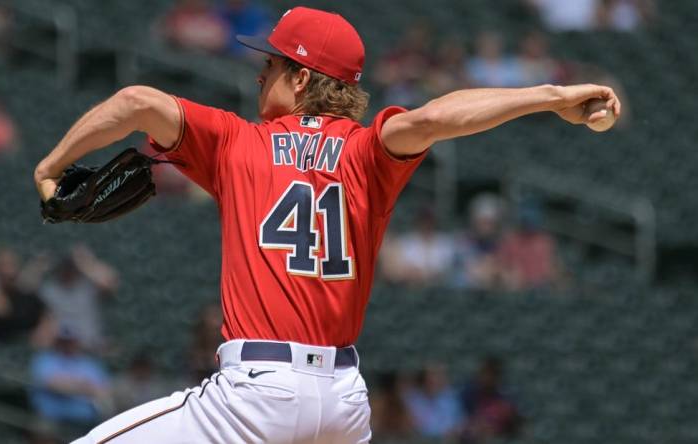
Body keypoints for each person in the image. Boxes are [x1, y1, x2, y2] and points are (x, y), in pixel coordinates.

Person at [33, 6, 621, 442]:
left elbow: (136, 100)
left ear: (304, 79)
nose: (260, 74)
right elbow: (436, 117)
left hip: (256, 395)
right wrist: (551, 96)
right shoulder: (368, 155)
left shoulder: (237, 143)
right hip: (342, 403)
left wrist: (52, 165)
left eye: (273, 64)